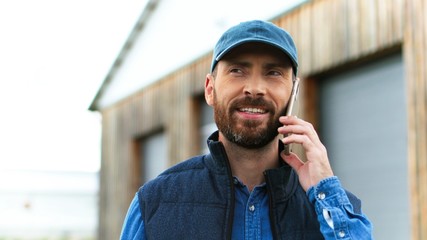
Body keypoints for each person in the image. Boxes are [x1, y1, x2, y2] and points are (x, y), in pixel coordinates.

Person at [120, 20, 373, 239]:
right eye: (237, 70)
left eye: (273, 72)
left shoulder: (332, 209)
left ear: (293, 92)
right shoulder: (155, 202)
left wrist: (325, 188)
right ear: (210, 89)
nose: (255, 88)